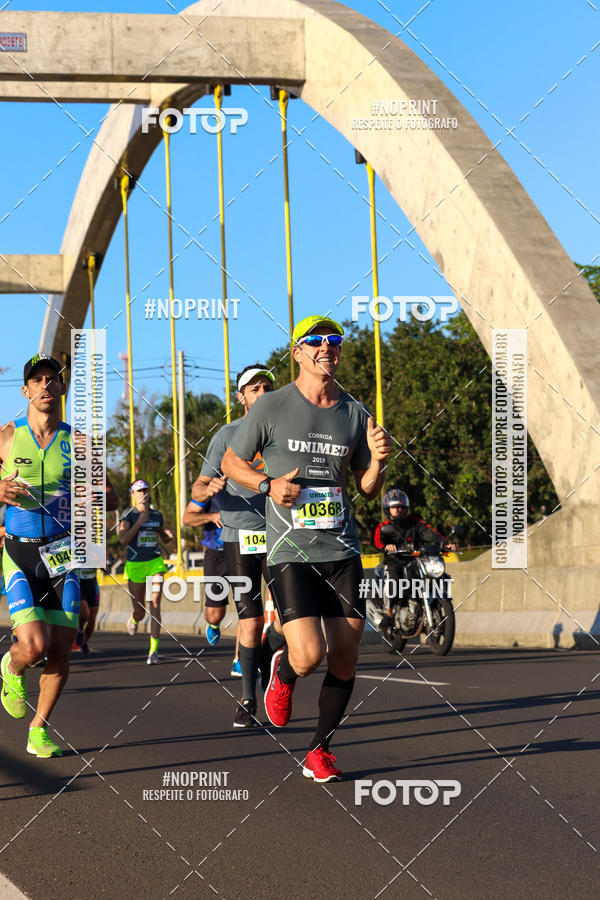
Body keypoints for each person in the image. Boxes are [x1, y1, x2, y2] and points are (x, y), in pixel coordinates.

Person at [222, 316, 392, 780]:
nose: (326, 347)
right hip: (288, 550)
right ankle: (284, 674)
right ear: (297, 352)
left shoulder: (354, 412)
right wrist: (267, 484)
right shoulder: (272, 406)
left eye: (333, 341)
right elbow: (230, 462)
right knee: (309, 655)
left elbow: (368, 488)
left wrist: (378, 460)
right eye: (315, 341)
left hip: (341, 548)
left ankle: (319, 749)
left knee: (348, 650)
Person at [0, 354, 118, 757]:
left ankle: (39, 728)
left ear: (63, 389)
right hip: (19, 553)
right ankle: (12, 667)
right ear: (26, 391)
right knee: (31, 647)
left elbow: (112, 497)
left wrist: (93, 495)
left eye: (53, 379)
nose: (46, 386)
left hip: (63, 558)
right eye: (38, 380)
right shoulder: (6, 436)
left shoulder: (80, 443)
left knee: (61, 648)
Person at [191, 365, 286, 728]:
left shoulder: (285, 434)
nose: (262, 392)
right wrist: (209, 489)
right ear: (240, 396)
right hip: (238, 538)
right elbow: (198, 488)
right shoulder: (227, 435)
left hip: (283, 535)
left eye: (268, 386)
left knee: (292, 622)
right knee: (251, 620)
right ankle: (248, 698)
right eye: (254, 387)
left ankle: (264, 651)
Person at [373, 489, 455, 628]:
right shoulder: (384, 527)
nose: (397, 510)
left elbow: (429, 533)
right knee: (394, 582)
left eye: (400, 507)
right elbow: (376, 541)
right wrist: (386, 547)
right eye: (393, 507)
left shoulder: (414, 523)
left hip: (414, 561)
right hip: (395, 562)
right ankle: (389, 614)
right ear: (387, 509)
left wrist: (445, 543)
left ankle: (422, 605)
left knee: (440, 576)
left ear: (405, 508)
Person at [121, 479, 175, 664]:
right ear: (133, 495)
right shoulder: (128, 515)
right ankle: (135, 618)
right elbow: (123, 540)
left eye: (145, 491)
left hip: (154, 561)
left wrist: (168, 535)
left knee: (155, 602)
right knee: (140, 610)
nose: (142, 494)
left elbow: (163, 537)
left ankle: (153, 651)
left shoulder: (157, 515)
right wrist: (139, 523)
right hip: (136, 564)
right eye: (139, 491)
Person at [181, 489, 225, 646]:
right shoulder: (212, 489)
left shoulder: (252, 482)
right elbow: (186, 518)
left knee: (248, 614)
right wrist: (211, 516)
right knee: (215, 615)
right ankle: (214, 624)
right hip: (217, 554)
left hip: (245, 551)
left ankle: (239, 659)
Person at [76, 568, 100, 654]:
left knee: (92, 618)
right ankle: (80, 630)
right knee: (85, 614)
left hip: (92, 583)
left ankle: (84, 642)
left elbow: (104, 568)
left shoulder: (97, 553)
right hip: (79, 582)